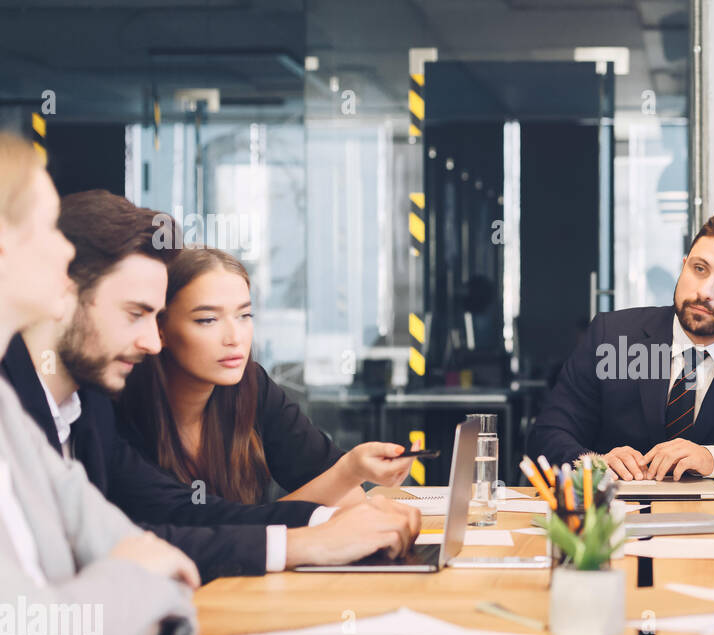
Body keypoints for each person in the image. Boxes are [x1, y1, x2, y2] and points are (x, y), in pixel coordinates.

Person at [5, 190, 419, 583]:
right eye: (135, 314)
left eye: (244, 315)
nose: (151, 342)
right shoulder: (94, 403)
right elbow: (129, 541)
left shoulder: (84, 408)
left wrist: (328, 528)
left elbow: (175, 519)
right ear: (61, 291)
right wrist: (313, 538)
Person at [0, 131, 197, 635]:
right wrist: (130, 592)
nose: (66, 250)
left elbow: (164, 563)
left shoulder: (6, 410)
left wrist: (119, 615)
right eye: (46, 228)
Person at [528, 211, 714, 489]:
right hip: (615, 521)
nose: (704, 291)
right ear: (684, 265)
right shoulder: (611, 336)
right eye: (699, 269)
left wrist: (713, 459)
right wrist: (594, 464)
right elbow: (548, 435)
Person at [119, 245, 414, 508]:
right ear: (160, 329)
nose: (235, 337)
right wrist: (348, 472)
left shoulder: (250, 385)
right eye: (207, 320)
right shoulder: (122, 408)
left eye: (244, 315)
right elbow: (201, 528)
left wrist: (349, 473)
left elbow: (347, 495)